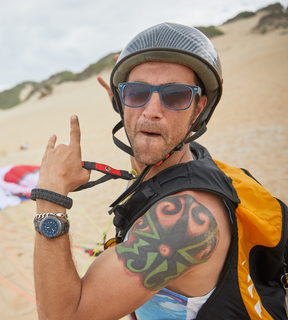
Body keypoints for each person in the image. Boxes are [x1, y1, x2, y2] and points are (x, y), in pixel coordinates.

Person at [31, 22, 287, 319]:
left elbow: (63, 316)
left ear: (198, 109)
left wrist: (50, 196)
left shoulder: (185, 221)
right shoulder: (187, 159)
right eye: (137, 93)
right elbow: (146, 154)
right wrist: (126, 105)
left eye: (175, 96)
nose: (151, 110)